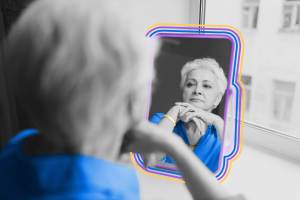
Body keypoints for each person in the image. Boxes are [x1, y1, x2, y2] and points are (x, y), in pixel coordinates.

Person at [0, 0, 244, 199]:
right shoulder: (99, 189)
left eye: (206, 85)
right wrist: (177, 149)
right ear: (122, 105)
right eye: (146, 84)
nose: (197, 90)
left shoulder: (20, 145)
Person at [150, 58, 227, 173]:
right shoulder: (160, 120)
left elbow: (236, 170)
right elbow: (149, 157)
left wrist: (217, 121)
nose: (197, 90)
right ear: (183, 92)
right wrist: (175, 111)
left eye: (206, 86)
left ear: (217, 99)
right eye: (190, 84)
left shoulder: (221, 133)